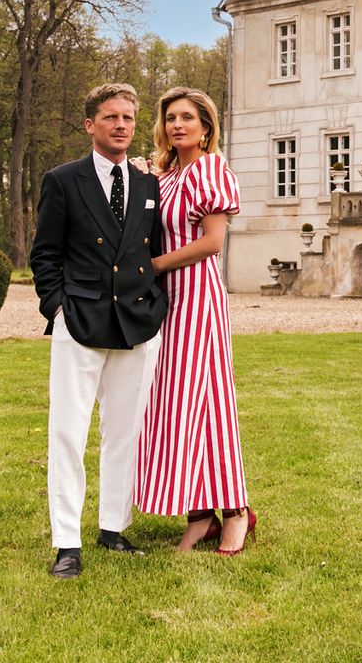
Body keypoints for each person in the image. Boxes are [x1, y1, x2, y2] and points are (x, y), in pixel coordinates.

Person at [30, 83, 168, 580]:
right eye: (111, 117)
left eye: (129, 118)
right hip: (80, 320)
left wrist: (156, 303)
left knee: (124, 433)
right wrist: (58, 307)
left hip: (136, 321)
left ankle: (113, 527)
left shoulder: (149, 185)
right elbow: (45, 254)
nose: (122, 126)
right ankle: (67, 541)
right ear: (90, 125)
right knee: (67, 433)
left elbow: (151, 250)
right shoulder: (63, 181)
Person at [134, 87, 254, 556]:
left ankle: (236, 511)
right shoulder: (164, 175)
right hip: (166, 301)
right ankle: (201, 512)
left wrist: (155, 266)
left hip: (198, 295)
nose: (177, 125)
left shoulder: (210, 169)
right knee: (180, 405)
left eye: (187, 117)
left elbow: (212, 244)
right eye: (170, 118)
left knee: (210, 401)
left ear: (206, 126)